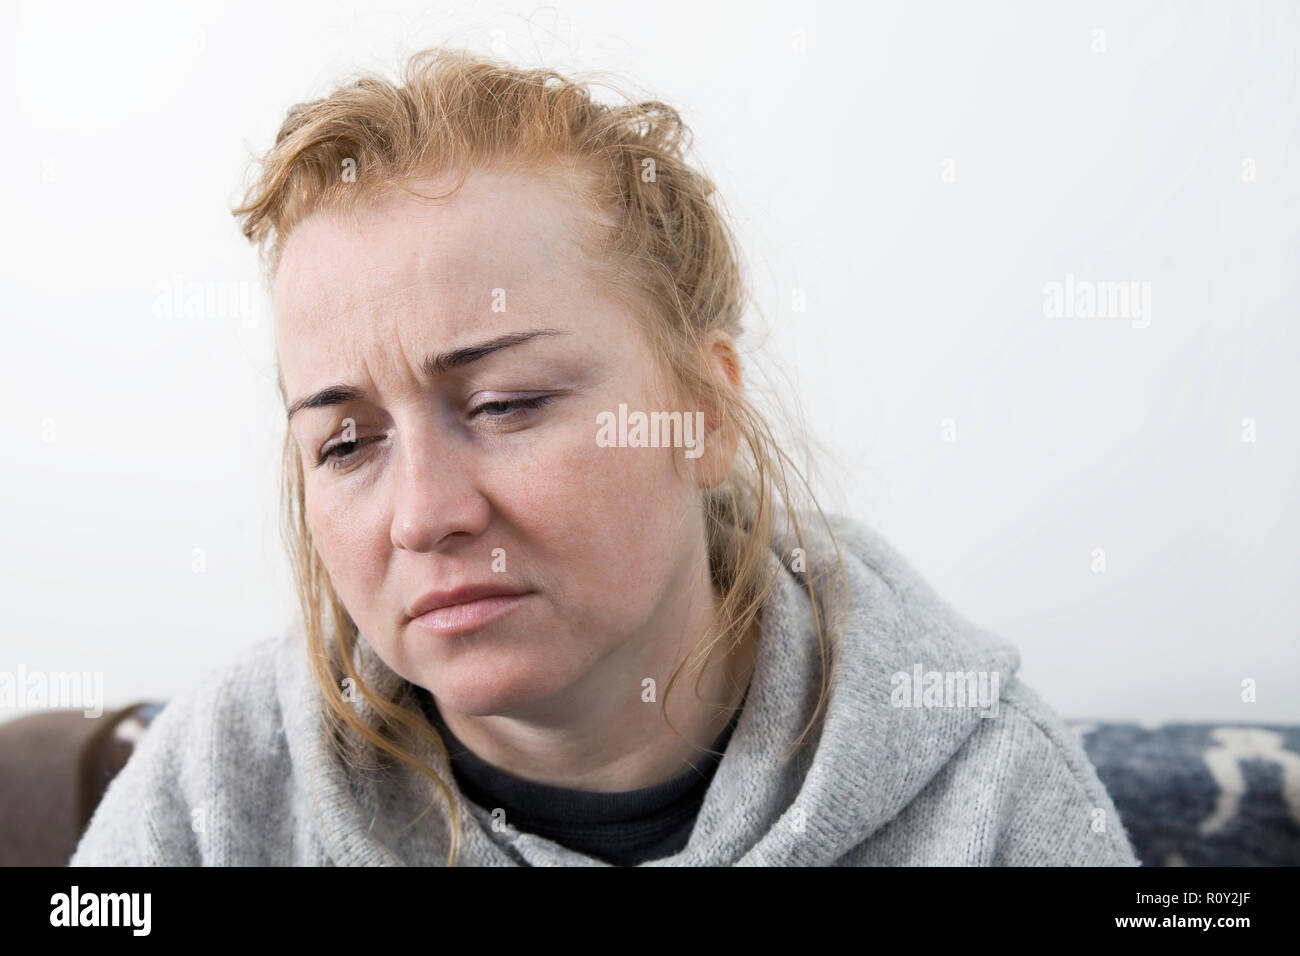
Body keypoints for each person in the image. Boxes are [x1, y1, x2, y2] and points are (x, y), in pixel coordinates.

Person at [70, 48, 1137, 867]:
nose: (424, 513)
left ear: (705, 410)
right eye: (346, 442)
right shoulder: (211, 798)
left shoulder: (997, 799)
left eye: (503, 403)